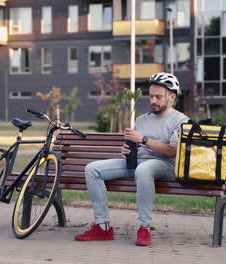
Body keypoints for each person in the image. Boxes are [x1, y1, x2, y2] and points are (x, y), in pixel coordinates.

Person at [74, 72, 189, 246]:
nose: (153, 101)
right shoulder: (142, 119)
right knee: (92, 169)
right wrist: (127, 150)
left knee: (144, 170)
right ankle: (102, 227)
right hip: (137, 163)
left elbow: (172, 151)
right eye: (151, 96)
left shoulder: (180, 120)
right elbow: (135, 144)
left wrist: (143, 139)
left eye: (158, 97)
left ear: (171, 97)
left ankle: (143, 227)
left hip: (164, 165)